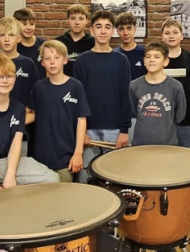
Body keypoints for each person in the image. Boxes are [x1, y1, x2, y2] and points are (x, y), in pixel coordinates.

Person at [0, 54, 59, 199]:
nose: (5, 81)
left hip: (8, 163)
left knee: (52, 178)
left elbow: (15, 145)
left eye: (9, 76)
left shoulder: (18, 108)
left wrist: (10, 176)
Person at [127, 40, 186, 252]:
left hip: (167, 150)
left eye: (157, 56)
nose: (151, 60)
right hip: (140, 149)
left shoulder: (175, 87)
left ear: (166, 61)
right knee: (137, 195)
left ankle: (167, 243)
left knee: (165, 197)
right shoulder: (135, 85)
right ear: (144, 60)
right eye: (148, 56)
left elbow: (180, 115)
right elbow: (134, 112)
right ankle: (132, 236)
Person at [74, 10, 131, 182]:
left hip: (114, 129)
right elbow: (78, 99)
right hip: (88, 129)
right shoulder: (82, 61)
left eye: (107, 27)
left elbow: (125, 96)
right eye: (99, 27)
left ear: (113, 31)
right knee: (86, 178)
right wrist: (81, 132)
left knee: (114, 178)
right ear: (92, 30)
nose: (103, 31)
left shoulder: (121, 60)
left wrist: (124, 130)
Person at [28, 40, 90, 182]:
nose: (52, 62)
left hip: (65, 157)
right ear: (42, 63)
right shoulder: (38, 87)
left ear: (65, 60)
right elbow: (32, 115)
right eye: (47, 58)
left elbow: (81, 120)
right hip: (40, 157)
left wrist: (78, 153)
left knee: (63, 193)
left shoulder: (76, 86)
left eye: (56, 57)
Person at [161, 18, 190, 148]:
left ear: (182, 36)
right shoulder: (157, 59)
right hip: (162, 120)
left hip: (186, 120)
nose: (171, 36)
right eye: (167, 33)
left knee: (186, 154)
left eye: (175, 32)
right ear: (162, 37)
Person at [55, 4, 95, 77]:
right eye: (73, 18)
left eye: (81, 19)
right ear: (67, 20)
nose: (77, 22)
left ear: (86, 21)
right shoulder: (57, 43)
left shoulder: (93, 43)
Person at [14, 7, 47, 79]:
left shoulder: (45, 45)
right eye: (24, 24)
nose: (29, 28)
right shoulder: (14, 47)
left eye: (32, 24)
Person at [115, 12, 147, 80]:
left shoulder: (144, 53)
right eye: (121, 29)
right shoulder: (114, 55)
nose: (125, 33)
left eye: (129, 28)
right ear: (117, 31)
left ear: (134, 29)